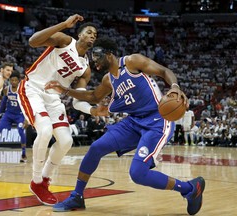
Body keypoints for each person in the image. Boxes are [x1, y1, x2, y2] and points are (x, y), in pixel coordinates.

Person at [45, 37, 205, 215]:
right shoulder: (108, 80)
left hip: (157, 121)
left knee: (137, 173)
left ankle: (190, 188)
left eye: (97, 56)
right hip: (133, 121)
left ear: (109, 54)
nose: (94, 60)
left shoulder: (132, 62)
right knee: (96, 147)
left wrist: (174, 87)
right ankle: (77, 196)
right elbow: (93, 97)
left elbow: (163, 71)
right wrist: (65, 90)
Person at [17, 14, 106, 205]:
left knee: (66, 141)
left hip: (53, 98)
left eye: (95, 34)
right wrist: (64, 25)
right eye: (89, 32)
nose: (92, 36)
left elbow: (77, 100)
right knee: (45, 130)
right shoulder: (64, 40)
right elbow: (33, 41)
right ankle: (36, 180)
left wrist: (92, 111)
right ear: (79, 34)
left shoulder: (85, 68)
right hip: (32, 88)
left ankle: (45, 180)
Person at [0, 71, 28, 163]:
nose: (14, 82)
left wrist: (27, 118)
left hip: (20, 115)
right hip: (8, 114)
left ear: (19, 81)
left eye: (15, 80)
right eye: (12, 80)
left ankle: (23, 153)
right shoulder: (6, 89)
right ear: (10, 80)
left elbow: (27, 105)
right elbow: (3, 103)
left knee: (20, 130)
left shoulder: (23, 90)